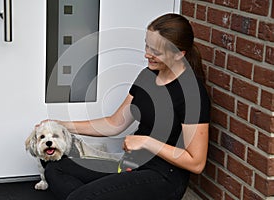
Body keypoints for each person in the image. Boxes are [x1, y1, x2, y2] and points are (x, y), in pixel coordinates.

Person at [38, 13, 210, 200]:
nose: (147, 54)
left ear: (179, 54)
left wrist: (146, 142)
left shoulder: (192, 94)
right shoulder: (148, 75)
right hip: (131, 165)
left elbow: (196, 162)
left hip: (162, 177)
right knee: (56, 169)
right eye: (147, 45)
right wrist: (59, 125)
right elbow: (114, 123)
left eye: (156, 51)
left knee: (81, 197)